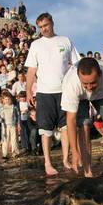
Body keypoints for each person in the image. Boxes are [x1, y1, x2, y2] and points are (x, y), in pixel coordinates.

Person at [25, 12, 79, 175]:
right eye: (40, 27)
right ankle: (48, 163)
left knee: (65, 128)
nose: (44, 29)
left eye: (46, 25)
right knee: (45, 130)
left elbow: (76, 64)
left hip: (64, 91)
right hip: (44, 92)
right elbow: (31, 70)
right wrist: (28, 91)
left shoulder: (65, 40)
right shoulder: (36, 45)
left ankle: (65, 160)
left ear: (52, 23)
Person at [0, 93, 20, 159]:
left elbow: (17, 116)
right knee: (5, 139)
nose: (7, 100)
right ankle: (5, 154)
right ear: (3, 100)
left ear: (11, 100)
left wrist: (18, 124)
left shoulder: (14, 107)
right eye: (5, 99)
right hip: (5, 126)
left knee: (14, 139)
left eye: (8, 99)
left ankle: (15, 152)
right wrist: (0, 119)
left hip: (13, 125)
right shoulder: (1, 107)